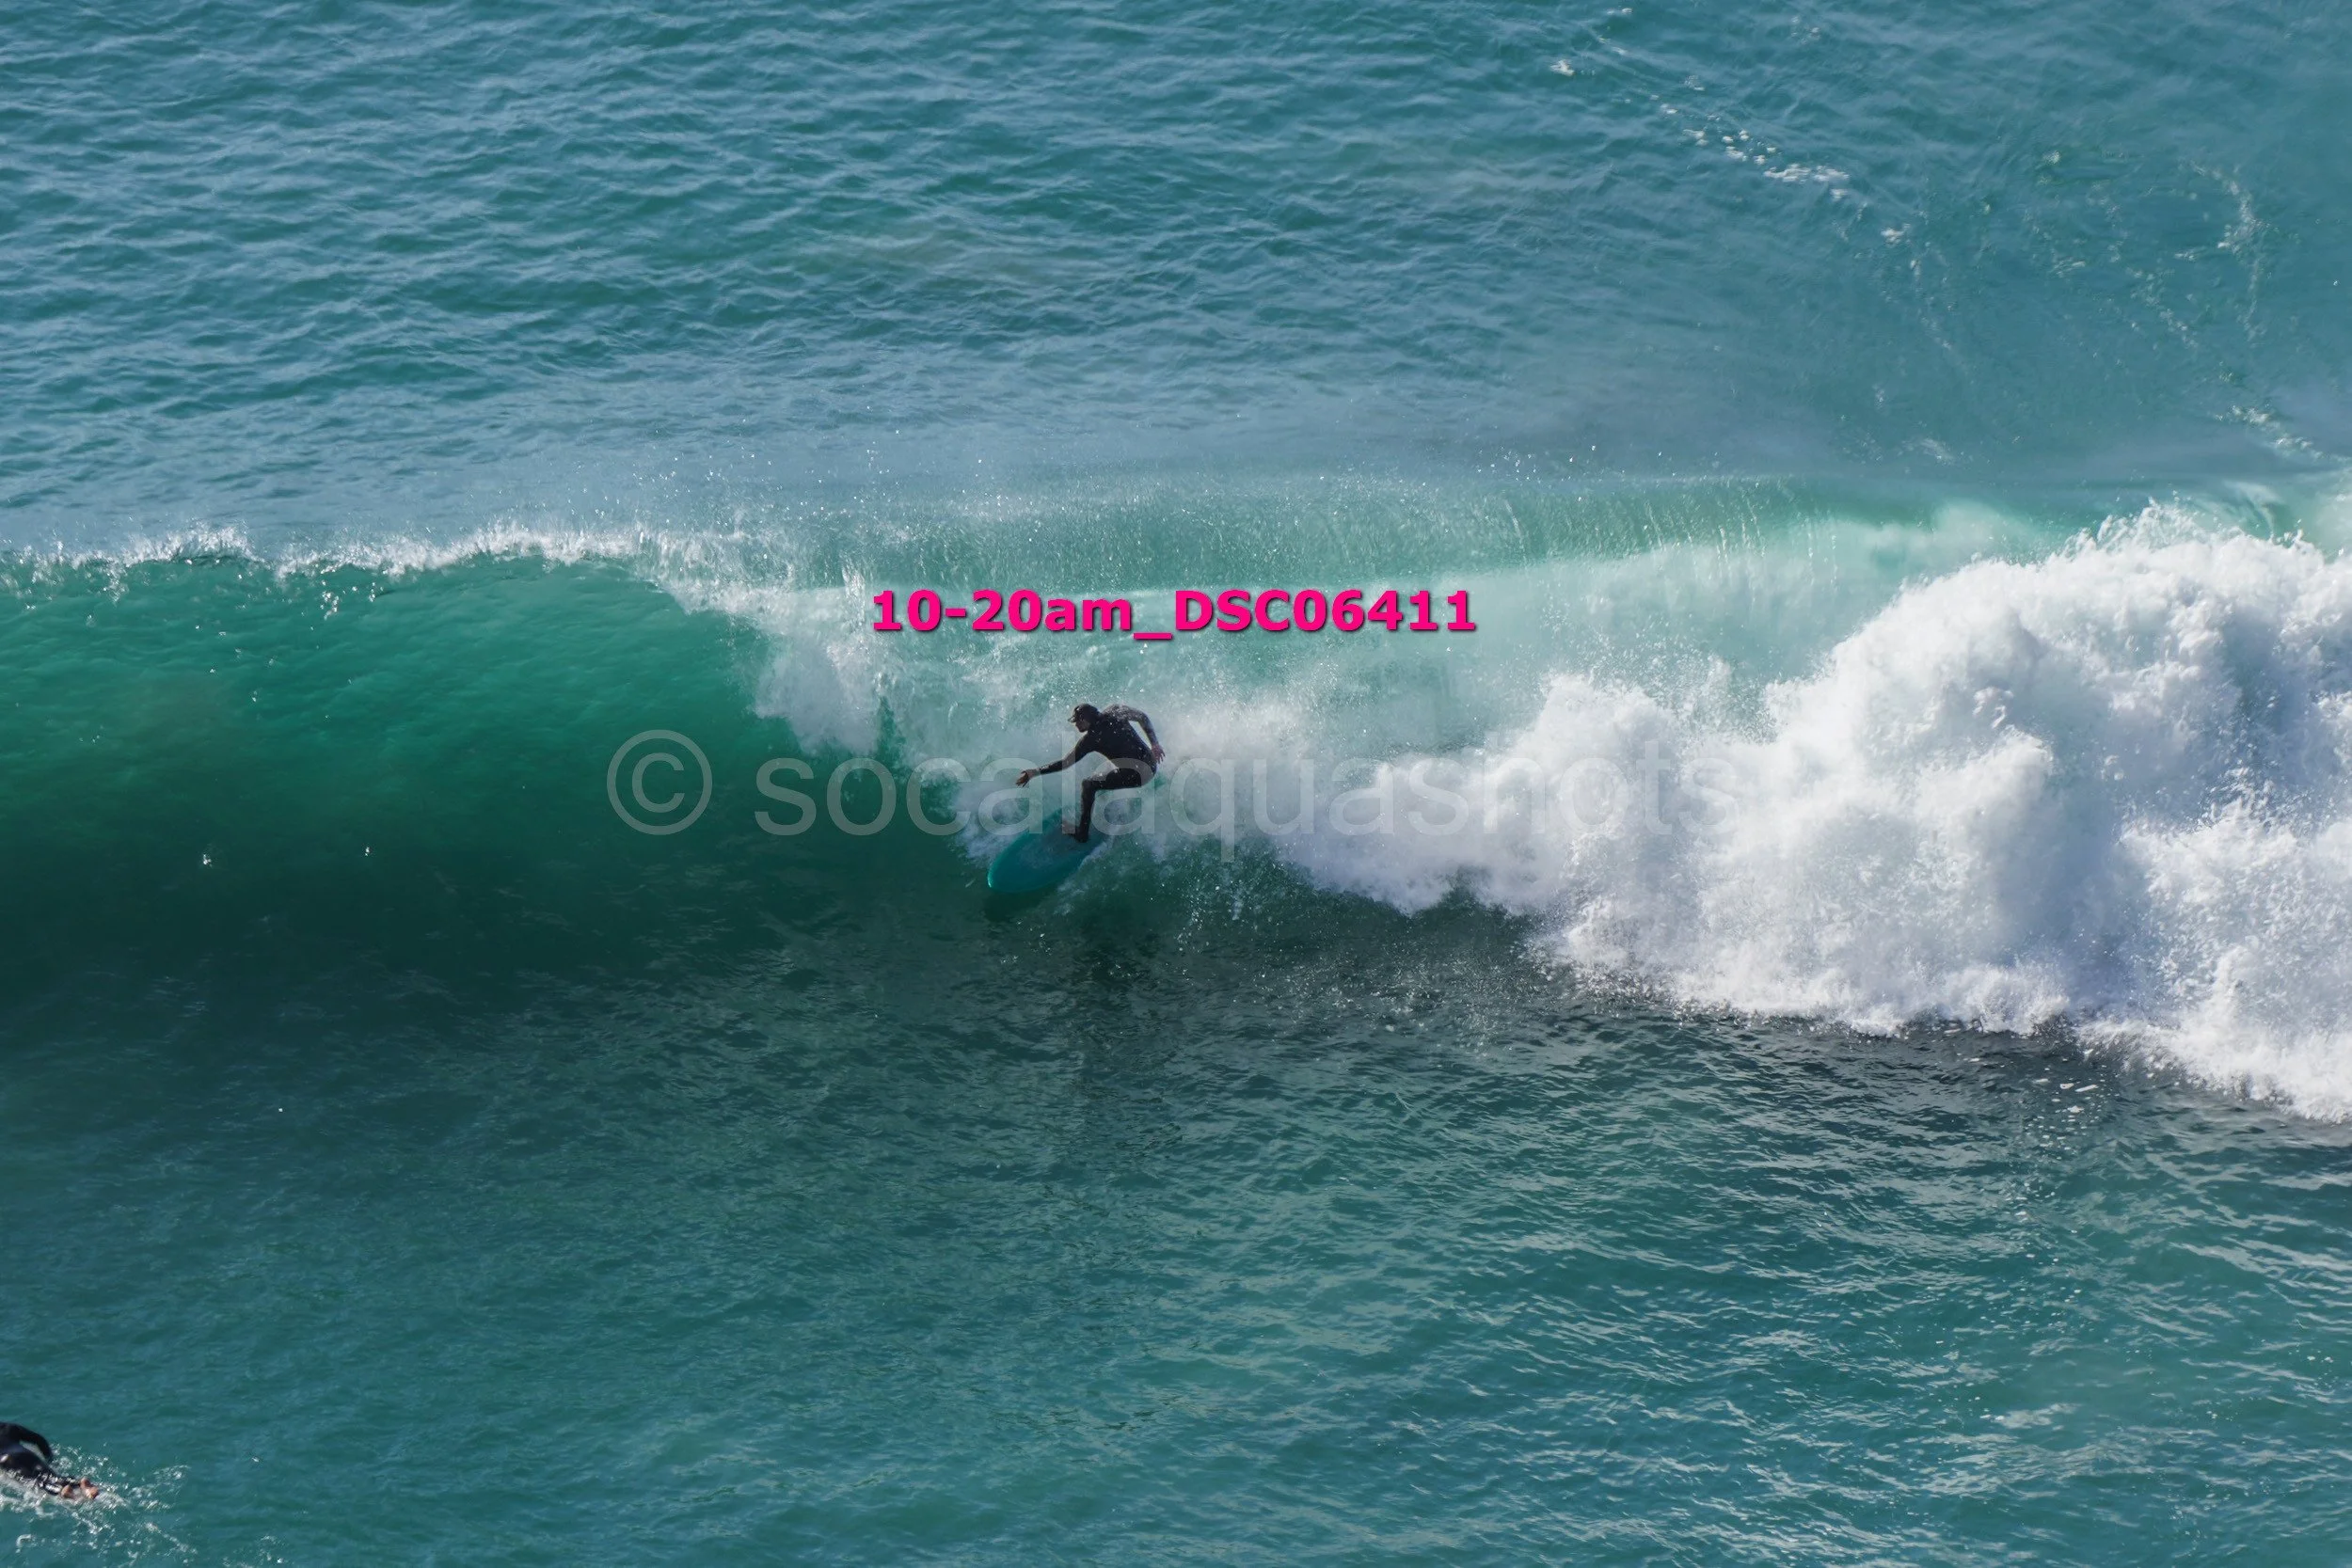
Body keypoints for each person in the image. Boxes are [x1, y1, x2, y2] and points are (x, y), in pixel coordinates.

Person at [1016, 703, 1164, 843]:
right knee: (1102, 772)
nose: (1076, 725)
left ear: (1086, 720)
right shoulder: (1116, 711)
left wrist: (1034, 772)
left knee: (1088, 784)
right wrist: (1155, 744)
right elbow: (1142, 717)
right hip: (1151, 764)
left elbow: (1065, 763)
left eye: (1078, 721)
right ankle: (1105, 802)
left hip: (1138, 776)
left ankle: (1082, 833)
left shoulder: (1091, 739)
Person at [0, 1424, 99, 1501]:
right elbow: (39, 1440)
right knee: (53, 1477)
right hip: (25, 1454)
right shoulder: (7, 1427)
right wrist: (50, 1460)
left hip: (7, 1461)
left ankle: (61, 1491)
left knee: (36, 1482)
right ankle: (80, 1483)